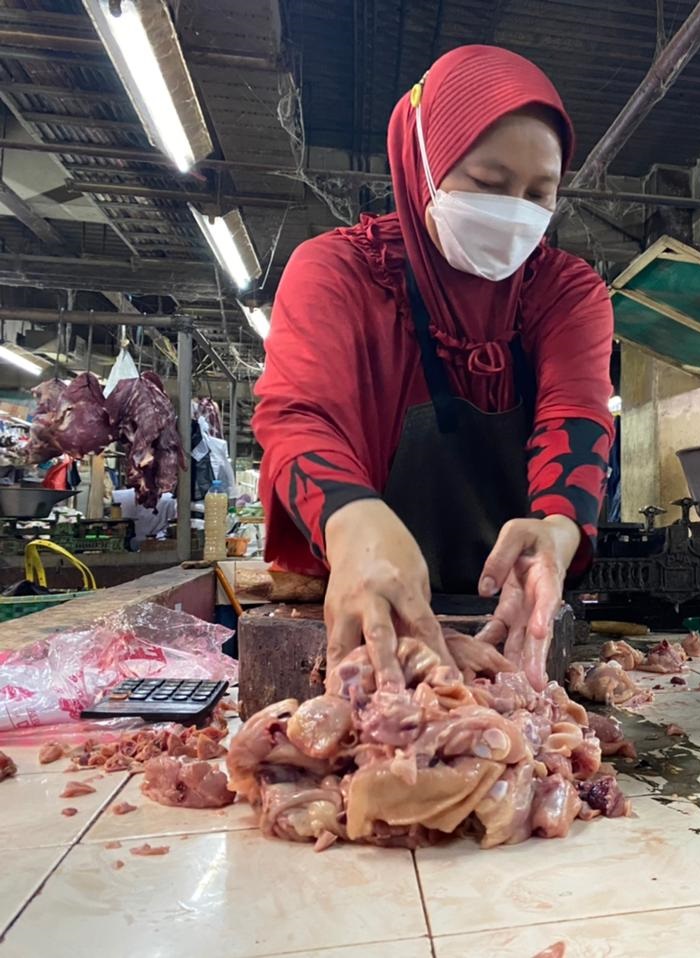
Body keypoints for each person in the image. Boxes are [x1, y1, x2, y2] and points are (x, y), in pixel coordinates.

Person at [254, 46, 613, 691]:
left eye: (540, 193)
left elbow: (576, 416)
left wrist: (558, 529)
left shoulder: (566, 292)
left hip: (503, 614)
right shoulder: (336, 274)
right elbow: (297, 417)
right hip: (360, 604)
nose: (515, 211)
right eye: (487, 182)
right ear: (424, 161)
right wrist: (353, 521)